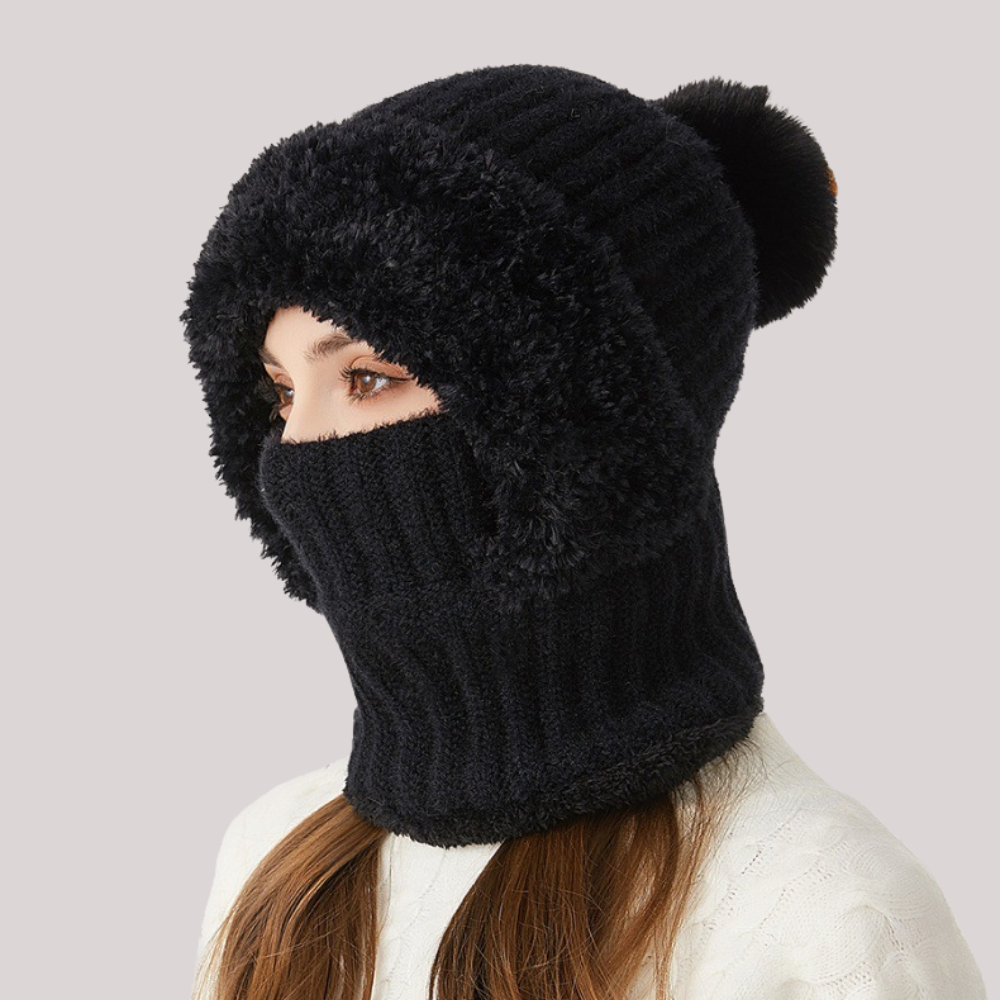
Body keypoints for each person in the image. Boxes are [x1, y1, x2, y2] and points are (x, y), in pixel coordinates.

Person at [181, 64, 986, 999]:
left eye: (368, 377)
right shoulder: (273, 861)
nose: (297, 451)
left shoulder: (826, 918)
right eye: (281, 392)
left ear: (583, 425)